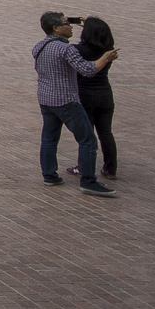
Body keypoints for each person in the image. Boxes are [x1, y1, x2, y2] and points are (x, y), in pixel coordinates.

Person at [32, 10, 118, 196]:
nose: (70, 27)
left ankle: (49, 175)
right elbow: (87, 70)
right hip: (66, 101)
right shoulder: (66, 49)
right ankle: (88, 181)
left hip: (46, 99)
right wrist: (105, 57)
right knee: (88, 140)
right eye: (66, 23)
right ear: (56, 28)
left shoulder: (39, 46)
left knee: (49, 138)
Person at [69, 16, 119, 183]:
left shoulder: (79, 50)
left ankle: (83, 167)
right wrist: (92, 25)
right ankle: (110, 168)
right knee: (105, 133)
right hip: (105, 94)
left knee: (87, 135)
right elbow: (100, 36)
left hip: (86, 95)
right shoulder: (108, 50)